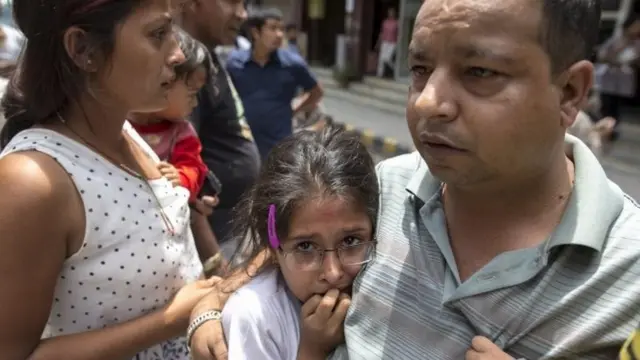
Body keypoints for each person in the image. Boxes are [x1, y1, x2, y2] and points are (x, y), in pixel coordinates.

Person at [188, 0, 640, 359]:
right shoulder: (385, 187)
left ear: (570, 93)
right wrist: (211, 306)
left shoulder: (629, 277)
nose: (427, 103)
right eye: (421, 70)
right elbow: (286, 243)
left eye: (479, 71)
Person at [0, 0, 217, 359]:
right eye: (158, 34)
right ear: (83, 49)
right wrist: (172, 320)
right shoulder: (33, 182)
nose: (178, 54)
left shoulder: (126, 135)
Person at [203, 128, 377, 360]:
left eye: (350, 241)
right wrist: (313, 349)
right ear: (273, 247)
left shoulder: (384, 294)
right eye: (305, 246)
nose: (333, 273)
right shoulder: (256, 317)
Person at [129, 27, 226, 274]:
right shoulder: (120, 124)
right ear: (165, 79)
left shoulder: (182, 133)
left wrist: (181, 177)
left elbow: (194, 167)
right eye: (191, 94)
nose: (194, 103)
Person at [178, 0, 261, 258]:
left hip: (231, 233)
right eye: (232, 2)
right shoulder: (184, 68)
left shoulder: (206, 58)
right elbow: (183, 177)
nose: (242, 14)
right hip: (214, 242)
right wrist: (216, 266)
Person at [226, 8, 324, 159]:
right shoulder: (235, 63)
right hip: (243, 145)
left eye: (281, 29)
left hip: (279, 148)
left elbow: (316, 92)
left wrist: (295, 109)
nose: (279, 34)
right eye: (272, 28)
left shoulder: (293, 64)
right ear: (255, 33)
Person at [594, 14, 640, 139]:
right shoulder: (617, 40)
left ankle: (611, 130)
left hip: (623, 81)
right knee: (606, 104)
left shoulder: (637, 44)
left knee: (616, 107)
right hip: (609, 78)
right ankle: (601, 127)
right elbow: (603, 55)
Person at [375, 7, 398, 78]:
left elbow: (399, 34)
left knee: (387, 59)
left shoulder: (397, 23)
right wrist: (378, 43)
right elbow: (382, 33)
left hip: (392, 43)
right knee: (381, 59)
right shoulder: (385, 22)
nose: (391, 14)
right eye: (390, 13)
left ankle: (396, 70)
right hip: (385, 42)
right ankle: (379, 74)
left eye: (392, 13)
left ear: (394, 14)